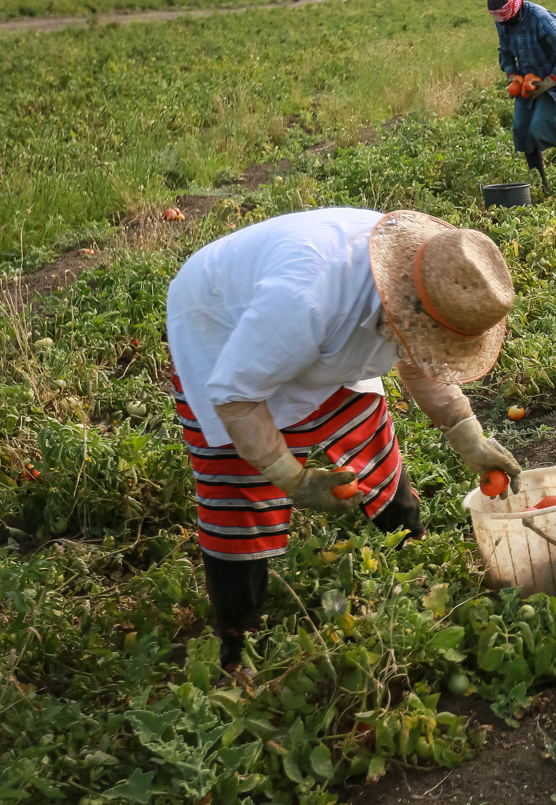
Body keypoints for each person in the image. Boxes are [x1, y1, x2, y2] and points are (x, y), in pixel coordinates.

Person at [166, 207, 523, 678]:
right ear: (399, 306)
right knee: (239, 487)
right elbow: (235, 399)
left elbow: (420, 357)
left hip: (317, 329)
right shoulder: (306, 299)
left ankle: (408, 544)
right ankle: (236, 641)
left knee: (368, 435)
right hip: (223, 325)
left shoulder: (431, 280)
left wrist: (468, 436)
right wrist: (290, 477)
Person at [489, 0, 556, 192]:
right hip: (526, 81)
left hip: (553, 83)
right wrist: (511, 75)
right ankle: (541, 185)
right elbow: (505, 51)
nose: (505, 25)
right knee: (523, 132)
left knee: (539, 130)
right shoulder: (504, 22)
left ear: (515, 10)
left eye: (508, 20)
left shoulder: (541, 19)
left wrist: (549, 81)